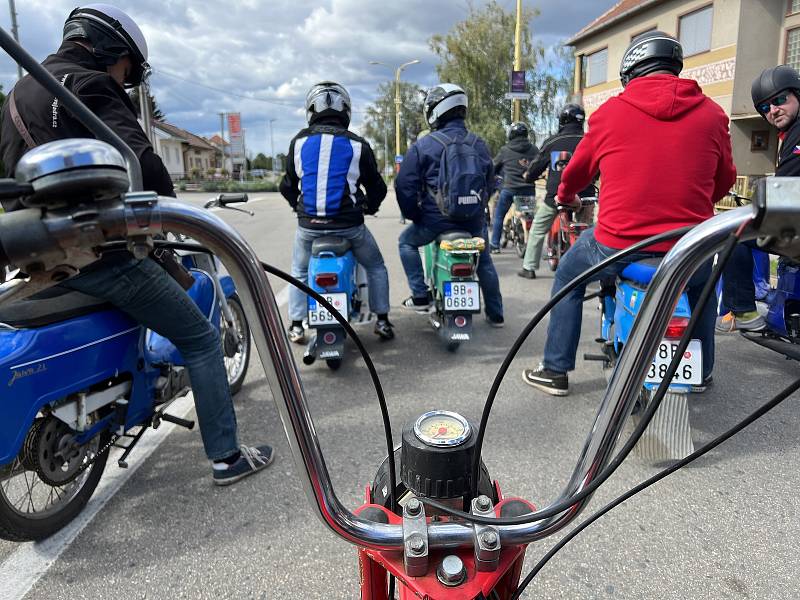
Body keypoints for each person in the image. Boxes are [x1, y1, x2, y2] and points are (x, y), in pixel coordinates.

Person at [0, 4, 274, 485]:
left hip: (39, 256)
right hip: (102, 254)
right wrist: (171, 210)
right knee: (202, 339)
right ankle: (227, 458)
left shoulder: (19, 94)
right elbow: (142, 164)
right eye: (127, 69)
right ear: (111, 49)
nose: (126, 80)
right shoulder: (91, 84)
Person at [522, 31, 736, 396]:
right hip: (689, 246)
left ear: (630, 72)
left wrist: (565, 196)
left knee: (567, 280)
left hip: (619, 244)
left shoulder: (610, 114)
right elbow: (725, 178)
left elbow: (575, 174)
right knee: (702, 288)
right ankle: (701, 370)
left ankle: (555, 370)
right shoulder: (713, 114)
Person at [280, 81, 394, 342]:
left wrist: (298, 207)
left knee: (299, 270)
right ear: (346, 110)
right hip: (349, 226)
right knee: (376, 266)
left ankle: (296, 325)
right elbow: (377, 187)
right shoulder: (358, 145)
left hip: (308, 227)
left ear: (311, 110)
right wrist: (370, 207)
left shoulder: (298, 142)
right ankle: (383, 320)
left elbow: (287, 185)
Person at [395, 83, 504, 326]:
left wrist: (416, 215)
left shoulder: (424, 145)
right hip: (472, 223)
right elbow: (490, 182)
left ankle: (420, 295)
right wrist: (477, 208)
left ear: (434, 111)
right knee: (484, 259)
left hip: (435, 222)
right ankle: (496, 314)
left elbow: (404, 185)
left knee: (405, 243)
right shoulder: (479, 144)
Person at [716, 65, 800, 333]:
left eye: (779, 100)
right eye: (765, 107)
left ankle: (742, 311)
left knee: (733, 235)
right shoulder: (790, 133)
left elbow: (784, 185)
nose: (773, 110)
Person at [518, 104, 595, 279]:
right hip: (586, 195)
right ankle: (590, 267)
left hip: (558, 196)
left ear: (562, 121)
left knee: (538, 228)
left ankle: (529, 267)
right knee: (588, 230)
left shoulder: (552, 142)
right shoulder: (590, 139)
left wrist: (528, 177)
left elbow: (535, 167)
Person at [488, 122, 539, 252]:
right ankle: (530, 245)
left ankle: (494, 245)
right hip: (527, 188)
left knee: (499, 215)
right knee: (528, 217)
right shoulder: (534, 149)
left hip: (509, 188)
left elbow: (494, 166)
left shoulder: (505, 150)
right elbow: (539, 165)